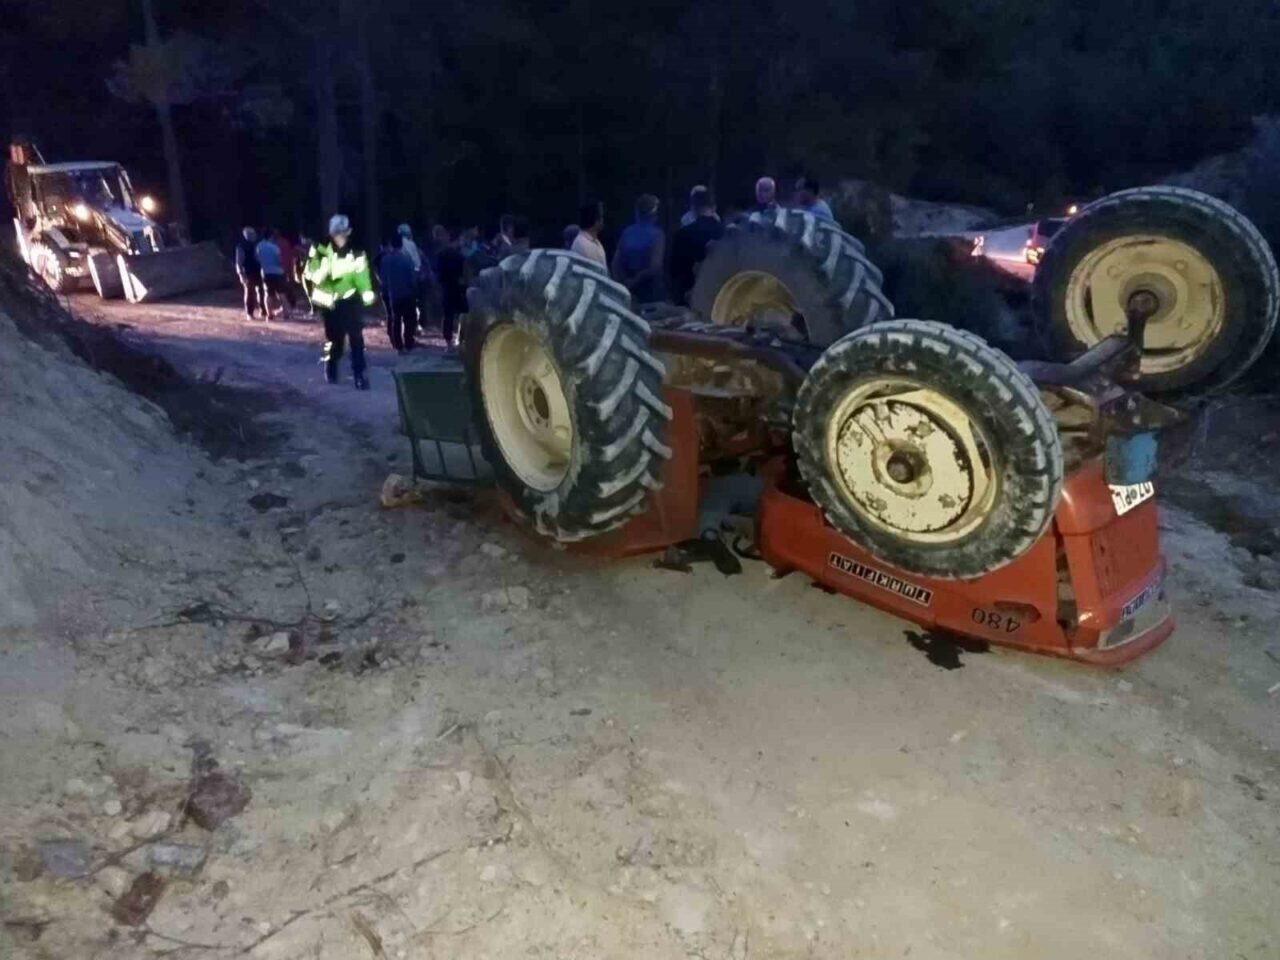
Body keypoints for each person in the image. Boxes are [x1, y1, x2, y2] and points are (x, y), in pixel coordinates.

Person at [305, 214, 376, 389]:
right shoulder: (320, 249)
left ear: (348, 232)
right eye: (337, 232)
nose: (340, 235)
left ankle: (360, 374)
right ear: (331, 233)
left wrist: (366, 292)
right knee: (335, 340)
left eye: (343, 232)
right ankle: (331, 365)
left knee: (356, 338)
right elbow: (310, 273)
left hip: (351, 300)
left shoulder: (356, 252)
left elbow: (362, 275)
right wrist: (322, 271)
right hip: (330, 302)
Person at [669, 186, 725, 306]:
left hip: (690, 298)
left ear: (693, 207)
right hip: (721, 299)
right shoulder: (726, 233)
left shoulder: (683, 234)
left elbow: (674, 271)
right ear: (714, 207)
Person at [611, 193, 665, 304]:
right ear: (654, 214)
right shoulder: (657, 235)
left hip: (627, 288)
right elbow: (655, 267)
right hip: (650, 291)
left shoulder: (627, 232)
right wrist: (636, 279)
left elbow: (615, 263)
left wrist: (622, 282)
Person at [378, 234, 417, 354]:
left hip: (393, 294)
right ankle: (408, 342)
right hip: (407, 292)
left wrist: (386, 290)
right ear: (401, 244)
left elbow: (383, 278)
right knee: (409, 319)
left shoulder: (385, 260)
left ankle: (398, 345)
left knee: (396, 319)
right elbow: (412, 277)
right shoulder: (407, 259)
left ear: (391, 244)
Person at [434, 226, 467, 350]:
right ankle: (461, 339)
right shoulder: (459, 255)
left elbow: (439, 273)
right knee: (462, 314)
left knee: (447, 315)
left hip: (446, 288)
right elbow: (464, 272)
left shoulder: (441, 254)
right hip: (459, 287)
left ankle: (448, 343)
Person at [255, 229, 286, 320]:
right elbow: (279, 260)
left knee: (268, 293)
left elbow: (257, 258)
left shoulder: (259, 246)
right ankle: (286, 313)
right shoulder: (274, 247)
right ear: (271, 237)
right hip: (278, 272)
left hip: (266, 272)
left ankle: (269, 314)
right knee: (281, 293)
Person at [234, 226, 262, 320]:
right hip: (247, 272)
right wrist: (240, 274)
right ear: (246, 235)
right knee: (249, 293)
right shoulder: (241, 246)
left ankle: (263, 311)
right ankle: (250, 313)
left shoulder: (258, 244)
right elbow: (239, 262)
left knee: (261, 292)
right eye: (251, 234)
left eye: (253, 233)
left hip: (259, 271)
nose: (253, 235)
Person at [571, 200, 607, 269]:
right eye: (601, 217)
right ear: (596, 222)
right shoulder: (583, 245)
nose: (603, 221)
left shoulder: (594, 241)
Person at [273, 229, 299, 313]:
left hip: (279, 269)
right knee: (288, 288)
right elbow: (290, 256)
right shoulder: (285, 242)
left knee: (282, 289)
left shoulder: (275, 244)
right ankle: (292, 306)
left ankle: (288, 306)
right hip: (287, 268)